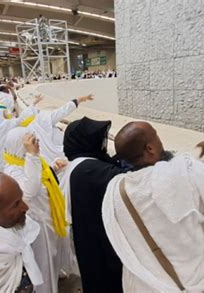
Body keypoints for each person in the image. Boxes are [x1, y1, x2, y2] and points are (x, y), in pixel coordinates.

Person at [102, 122, 204, 292]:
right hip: (189, 286)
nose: (160, 140)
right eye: (156, 135)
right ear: (150, 148)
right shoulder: (181, 173)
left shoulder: (117, 189)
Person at [61, 117, 127, 293]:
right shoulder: (88, 169)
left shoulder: (82, 163)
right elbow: (128, 178)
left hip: (94, 242)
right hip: (101, 248)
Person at [4, 128, 68, 293]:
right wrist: (32, 156)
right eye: (33, 142)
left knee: (53, 256)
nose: (37, 145)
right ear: (20, 147)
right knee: (43, 264)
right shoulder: (13, 170)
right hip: (38, 225)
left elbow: (40, 178)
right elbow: (29, 191)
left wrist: (53, 167)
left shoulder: (28, 161)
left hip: (48, 217)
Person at [27, 94, 94, 170]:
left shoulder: (25, 133)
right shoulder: (42, 118)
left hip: (53, 167)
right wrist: (79, 99)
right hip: (66, 155)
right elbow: (62, 111)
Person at [0, 97, 40, 171]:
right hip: (5, 161)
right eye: (3, 113)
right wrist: (32, 104)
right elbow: (21, 119)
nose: (6, 114)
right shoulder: (5, 125)